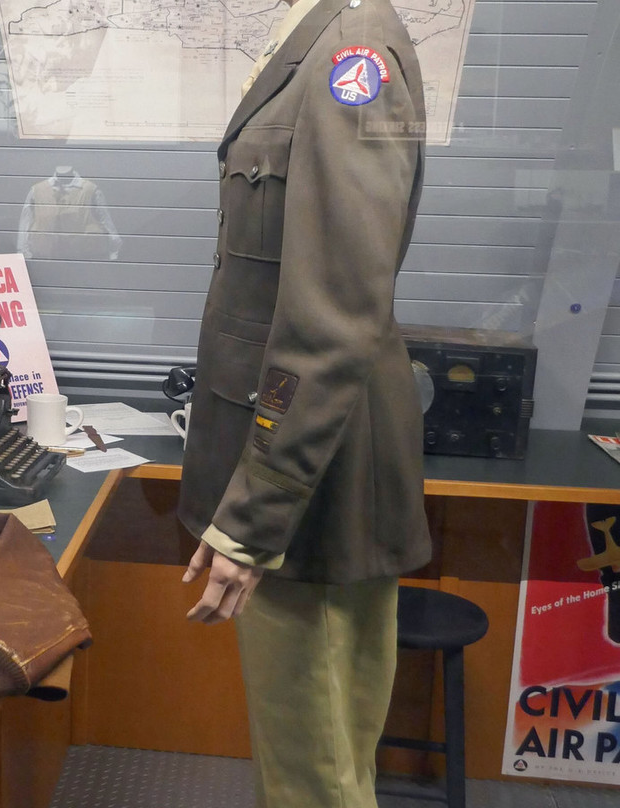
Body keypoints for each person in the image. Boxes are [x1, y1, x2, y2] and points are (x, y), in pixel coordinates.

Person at [176, 0, 433, 806]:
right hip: (300, 458)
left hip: (313, 482)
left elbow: (334, 315)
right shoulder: (315, 38)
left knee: (314, 777)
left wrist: (256, 517)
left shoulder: (352, 53)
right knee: (316, 761)